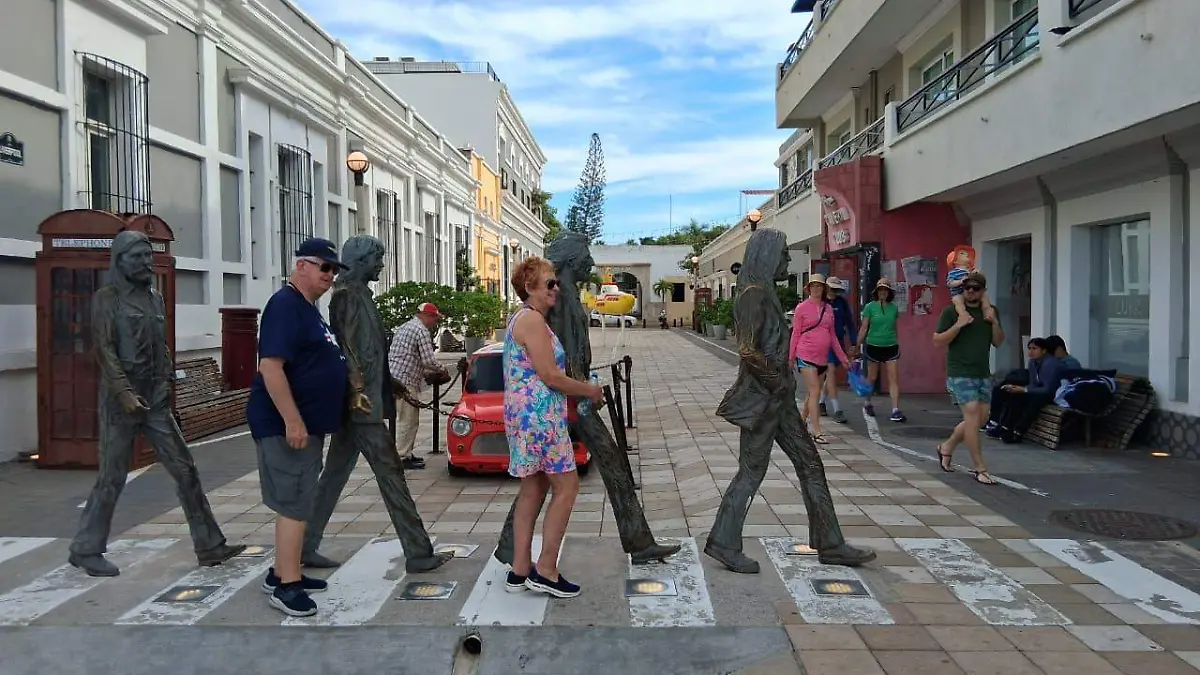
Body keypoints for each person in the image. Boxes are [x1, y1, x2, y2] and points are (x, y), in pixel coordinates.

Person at [494, 232, 680, 567]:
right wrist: (586, 390)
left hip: (560, 402)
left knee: (538, 483)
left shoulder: (559, 300)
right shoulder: (552, 305)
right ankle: (548, 562)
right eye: (584, 256)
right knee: (591, 471)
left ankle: (515, 552)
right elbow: (553, 367)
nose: (590, 263)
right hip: (561, 402)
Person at [69, 231, 245, 578]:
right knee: (113, 476)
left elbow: (161, 345)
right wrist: (123, 393)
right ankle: (86, 548)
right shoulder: (108, 298)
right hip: (122, 402)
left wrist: (167, 381)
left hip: (155, 401)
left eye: (148, 256)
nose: (146, 263)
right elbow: (104, 351)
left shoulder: (154, 297)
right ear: (120, 261)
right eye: (138, 257)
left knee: (185, 469)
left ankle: (209, 545)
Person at [708, 228, 875, 573]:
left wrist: (782, 387)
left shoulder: (764, 292)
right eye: (783, 253)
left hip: (778, 399)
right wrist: (776, 381)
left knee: (810, 464)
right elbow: (748, 350)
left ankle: (830, 542)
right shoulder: (753, 295)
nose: (787, 259)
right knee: (751, 472)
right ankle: (724, 542)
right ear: (768, 256)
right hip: (764, 399)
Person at [299, 236, 451, 574]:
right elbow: (349, 347)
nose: (381, 264)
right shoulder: (347, 297)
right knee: (391, 473)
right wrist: (358, 388)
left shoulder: (360, 295)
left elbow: (372, 351)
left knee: (334, 476)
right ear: (361, 259)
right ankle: (418, 552)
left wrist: (389, 384)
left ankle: (305, 545)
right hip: (360, 404)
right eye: (377, 258)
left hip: (363, 399)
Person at [246, 237, 351, 617]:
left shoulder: (308, 309)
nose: (330, 275)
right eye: (325, 267)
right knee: (292, 501)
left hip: (308, 424)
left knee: (300, 498)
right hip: (285, 425)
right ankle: (287, 586)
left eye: (334, 270)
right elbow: (271, 367)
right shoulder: (285, 305)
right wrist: (293, 419)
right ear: (301, 266)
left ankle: (282, 572)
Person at [503, 256, 604, 599]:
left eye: (556, 282)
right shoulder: (532, 321)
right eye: (549, 283)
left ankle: (520, 568)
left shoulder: (524, 319)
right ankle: (546, 569)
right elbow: (550, 376)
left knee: (533, 489)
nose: (556, 289)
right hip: (541, 419)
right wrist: (589, 390)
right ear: (529, 287)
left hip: (525, 418)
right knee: (567, 487)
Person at [934, 271, 1004, 485]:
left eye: (976, 289)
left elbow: (999, 342)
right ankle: (980, 468)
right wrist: (959, 325)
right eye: (968, 288)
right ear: (962, 290)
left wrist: (993, 323)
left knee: (979, 419)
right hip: (959, 372)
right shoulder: (951, 312)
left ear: (983, 291)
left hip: (982, 373)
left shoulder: (990, 311)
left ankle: (946, 447)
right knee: (973, 418)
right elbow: (937, 340)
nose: (971, 292)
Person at [387, 303, 451, 471]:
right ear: (427, 316)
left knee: (406, 418)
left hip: (394, 377)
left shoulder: (405, 327)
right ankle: (402, 456)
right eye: (435, 319)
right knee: (408, 419)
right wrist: (442, 369)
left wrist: (423, 373)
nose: (434, 323)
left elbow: (408, 356)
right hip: (405, 381)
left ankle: (406, 452)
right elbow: (428, 360)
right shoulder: (421, 330)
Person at [789, 274, 849, 445]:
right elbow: (796, 333)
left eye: (819, 286)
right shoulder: (801, 308)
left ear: (824, 289)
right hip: (805, 355)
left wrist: (842, 357)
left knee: (812, 393)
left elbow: (832, 336)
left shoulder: (828, 309)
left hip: (823, 358)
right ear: (809, 289)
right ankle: (817, 431)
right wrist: (791, 357)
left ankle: (800, 422)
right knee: (816, 391)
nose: (816, 289)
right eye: (813, 286)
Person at [988, 338, 1064, 444]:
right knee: (1016, 397)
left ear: (1044, 351)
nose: (1031, 352)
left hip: (1054, 394)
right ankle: (1005, 427)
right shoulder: (1033, 362)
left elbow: (1048, 388)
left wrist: (1024, 389)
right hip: (1038, 390)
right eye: (1029, 348)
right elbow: (1033, 383)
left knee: (1034, 402)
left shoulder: (1050, 363)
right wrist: (1017, 389)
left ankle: (1019, 431)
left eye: (1034, 348)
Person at [857, 278, 907, 422]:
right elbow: (864, 327)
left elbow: (894, 327)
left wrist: (897, 342)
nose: (883, 292)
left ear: (889, 292)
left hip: (891, 346)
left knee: (893, 377)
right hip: (873, 345)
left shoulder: (894, 308)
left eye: (885, 290)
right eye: (880, 290)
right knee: (872, 377)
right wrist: (857, 345)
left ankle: (895, 409)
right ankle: (867, 403)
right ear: (877, 292)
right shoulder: (870, 307)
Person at [817, 276, 856, 424]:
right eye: (831, 288)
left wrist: (853, 342)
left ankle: (821, 402)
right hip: (823, 342)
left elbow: (849, 323)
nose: (833, 291)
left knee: (830, 375)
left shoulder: (842, 303)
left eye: (835, 289)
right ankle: (837, 409)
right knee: (831, 372)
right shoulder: (820, 303)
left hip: (838, 342)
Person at [946, 246, 996, 324]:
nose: (966, 255)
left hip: (967, 293)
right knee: (959, 303)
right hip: (958, 293)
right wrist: (960, 281)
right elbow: (949, 283)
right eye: (962, 254)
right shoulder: (953, 272)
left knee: (985, 297)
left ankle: (987, 313)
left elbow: (980, 276)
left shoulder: (970, 270)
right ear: (955, 261)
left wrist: (978, 272)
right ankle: (963, 315)